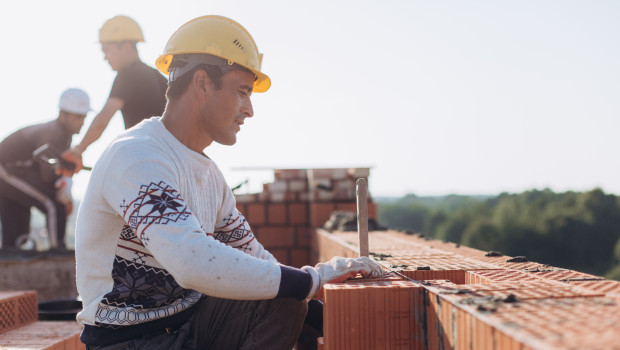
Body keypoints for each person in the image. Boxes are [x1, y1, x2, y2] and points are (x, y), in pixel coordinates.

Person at [75, 15, 383, 349]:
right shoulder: (137, 156)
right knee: (290, 291)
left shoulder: (209, 176)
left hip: (189, 324)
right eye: (241, 92)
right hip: (131, 341)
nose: (249, 110)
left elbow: (255, 262)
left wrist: (329, 309)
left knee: (285, 298)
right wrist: (311, 280)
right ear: (203, 83)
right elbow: (193, 262)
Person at [62, 15, 167, 170]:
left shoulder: (127, 74)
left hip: (149, 160)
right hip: (172, 159)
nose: (105, 57)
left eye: (107, 50)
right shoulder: (158, 77)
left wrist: (78, 150)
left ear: (126, 47)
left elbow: (102, 120)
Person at [0, 88, 90, 250]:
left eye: (84, 117)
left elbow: (52, 171)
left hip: (20, 172)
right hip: (6, 171)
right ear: (63, 115)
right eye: (78, 117)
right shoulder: (52, 133)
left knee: (15, 237)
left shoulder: (65, 135)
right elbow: (47, 176)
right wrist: (64, 184)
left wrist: (65, 181)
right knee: (53, 203)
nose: (82, 121)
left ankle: (12, 260)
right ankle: (58, 251)